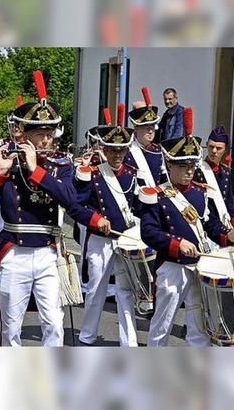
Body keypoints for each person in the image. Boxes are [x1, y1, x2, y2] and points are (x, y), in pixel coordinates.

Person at [0, 70, 76, 347]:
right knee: (11, 327)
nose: (45, 140)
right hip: (14, 252)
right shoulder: (8, 165)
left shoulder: (60, 166)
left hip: (46, 253)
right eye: (39, 134)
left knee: (53, 322)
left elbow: (70, 199)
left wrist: (36, 170)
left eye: (49, 134)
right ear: (23, 136)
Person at [139, 106, 234, 346]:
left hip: (199, 266)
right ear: (169, 165)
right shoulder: (156, 195)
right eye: (182, 166)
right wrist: (176, 244)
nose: (189, 171)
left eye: (191, 166)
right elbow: (149, 232)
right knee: (162, 325)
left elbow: (209, 223)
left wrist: (227, 233)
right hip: (172, 268)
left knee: (199, 324)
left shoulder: (200, 193)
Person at [70, 104, 140, 346]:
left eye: (121, 150)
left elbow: (139, 207)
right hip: (100, 240)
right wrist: (95, 220)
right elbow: (78, 206)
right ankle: (87, 336)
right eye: (113, 150)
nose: (117, 155)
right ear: (105, 149)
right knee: (96, 290)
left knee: (125, 292)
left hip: (125, 240)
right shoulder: (94, 174)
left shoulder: (132, 174)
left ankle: (128, 342)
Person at [194, 125, 234, 230]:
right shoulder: (197, 171)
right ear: (206, 145)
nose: (214, 151)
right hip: (204, 225)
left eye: (218, 148)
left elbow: (229, 205)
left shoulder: (226, 172)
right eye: (211, 146)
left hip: (222, 225)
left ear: (225, 150)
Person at [124, 87, 168, 187]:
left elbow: (164, 180)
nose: (151, 131)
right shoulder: (127, 151)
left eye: (152, 126)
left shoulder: (158, 150)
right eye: (146, 127)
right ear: (136, 128)